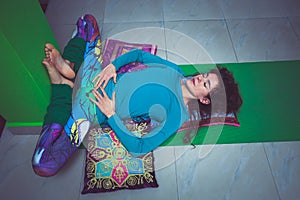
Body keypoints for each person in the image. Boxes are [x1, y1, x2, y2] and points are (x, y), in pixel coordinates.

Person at [89, 49, 243, 156]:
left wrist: (110, 114)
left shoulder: (176, 115)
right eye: (205, 75)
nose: (200, 78)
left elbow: (139, 148)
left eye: (205, 84)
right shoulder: (174, 70)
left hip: (95, 105)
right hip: (100, 77)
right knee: (87, 24)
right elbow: (139, 55)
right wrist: (112, 66)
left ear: (204, 99)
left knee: (67, 91)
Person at [32, 14, 100, 177]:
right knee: (43, 164)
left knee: (91, 48)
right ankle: (65, 79)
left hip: (92, 95)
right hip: (93, 99)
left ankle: (67, 74)